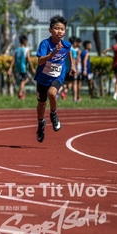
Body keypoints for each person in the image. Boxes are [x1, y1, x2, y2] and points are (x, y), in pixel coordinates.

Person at [34, 15, 75, 143]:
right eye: (56, 28)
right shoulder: (45, 44)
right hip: (42, 78)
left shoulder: (66, 44)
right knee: (42, 104)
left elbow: (68, 51)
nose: (59, 31)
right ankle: (41, 123)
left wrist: (72, 66)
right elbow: (40, 61)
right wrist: (52, 54)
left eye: (62, 29)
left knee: (52, 93)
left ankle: (53, 114)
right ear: (50, 30)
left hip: (57, 76)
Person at [8, 35, 36, 100]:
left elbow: (13, 60)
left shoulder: (16, 50)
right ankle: (20, 93)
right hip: (23, 68)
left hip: (17, 68)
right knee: (25, 80)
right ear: (25, 41)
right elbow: (28, 60)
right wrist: (32, 68)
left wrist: (10, 68)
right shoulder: (26, 49)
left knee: (22, 81)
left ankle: (22, 96)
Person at [103, 32, 117, 99]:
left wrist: (110, 56)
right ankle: (115, 94)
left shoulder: (114, 46)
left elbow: (104, 51)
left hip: (115, 65)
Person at [71, 37, 83, 102]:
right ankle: (76, 97)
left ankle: (77, 97)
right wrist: (77, 69)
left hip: (75, 68)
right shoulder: (76, 50)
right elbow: (76, 60)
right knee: (76, 83)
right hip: (77, 68)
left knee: (76, 83)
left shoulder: (71, 49)